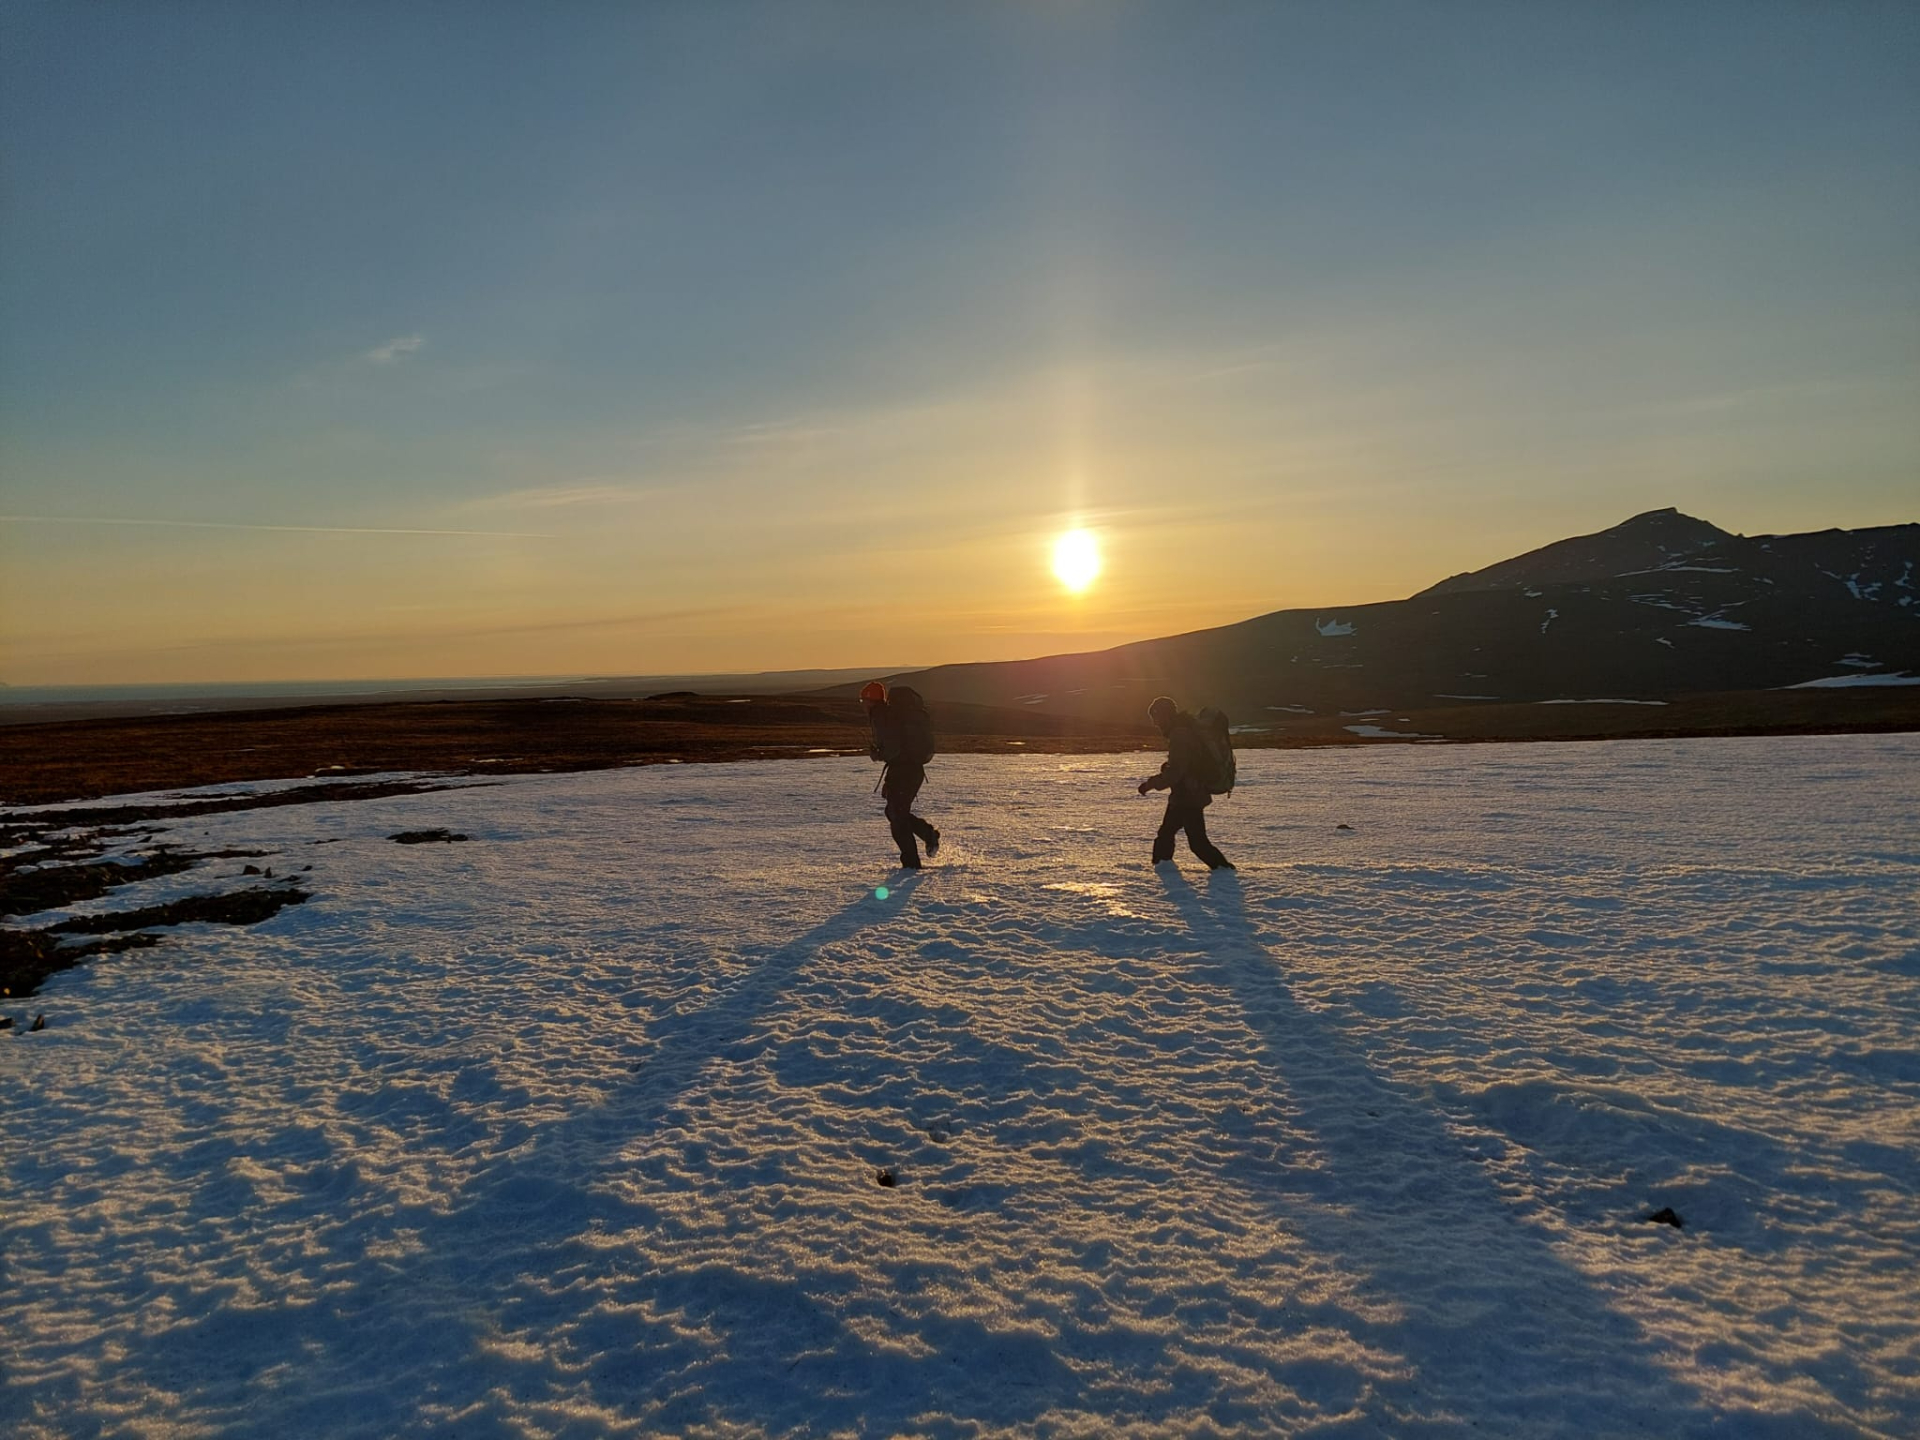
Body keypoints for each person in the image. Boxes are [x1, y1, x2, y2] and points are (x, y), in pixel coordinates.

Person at [1137, 695, 1234, 870]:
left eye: (1156, 718)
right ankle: (1161, 867)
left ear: (1164, 716)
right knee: (1167, 834)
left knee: (1197, 843)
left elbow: (1177, 771)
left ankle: (1223, 870)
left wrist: (1151, 784)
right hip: (1188, 793)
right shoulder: (1183, 730)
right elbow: (1184, 764)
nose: (1155, 723)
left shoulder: (1179, 734)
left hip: (1189, 795)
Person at [861, 680, 940, 869]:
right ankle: (927, 835)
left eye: (862, 700)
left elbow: (893, 748)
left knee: (897, 815)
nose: (862, 705)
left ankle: (911, 864)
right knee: (895, 812)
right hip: (909, 770)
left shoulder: (881, 716)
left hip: (904, 770)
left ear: (869, 700)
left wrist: (878, 754)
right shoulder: (889, 714)